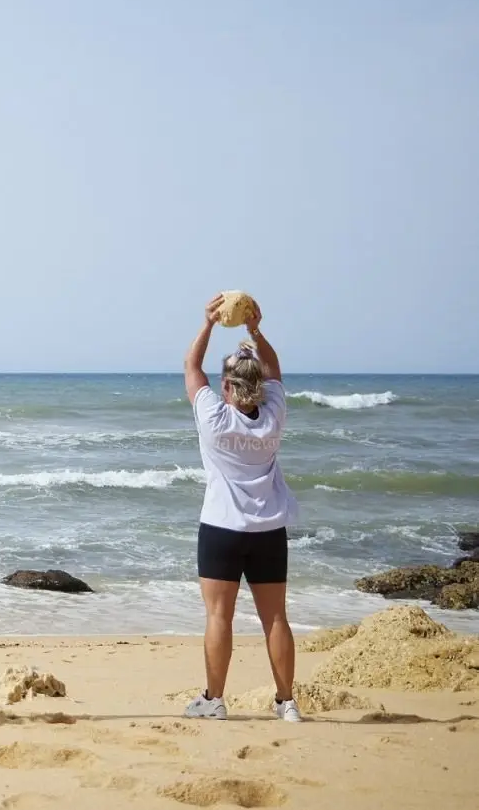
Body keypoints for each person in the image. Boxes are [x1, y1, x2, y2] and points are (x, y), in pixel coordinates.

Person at [182, 295, 300, 722]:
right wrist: (255, 330)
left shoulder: (215, 418)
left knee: (219, 616)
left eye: (224, 382)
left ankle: (214, 700)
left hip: (222, 529)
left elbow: (191, 370)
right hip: (269, 530)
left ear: (228, 387)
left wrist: (208, 325)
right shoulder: (272, 416)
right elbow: (276, 372)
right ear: (259, 387)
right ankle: (286, 703)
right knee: (275, 619)